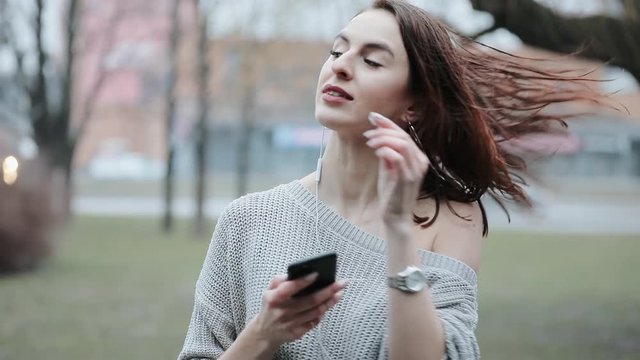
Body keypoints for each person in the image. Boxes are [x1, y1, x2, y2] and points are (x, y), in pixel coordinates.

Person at [178, 1, 604, 359]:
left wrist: (400, 229)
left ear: (414, 105)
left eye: (371, 60)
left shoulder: (451, 219)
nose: (341, 66)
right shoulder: (249, 220)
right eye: (336, 51)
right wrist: (264, 334)